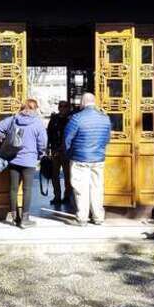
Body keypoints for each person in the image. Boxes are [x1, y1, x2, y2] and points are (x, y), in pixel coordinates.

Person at [0, 99, 47, 229]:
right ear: (35, 108)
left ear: (23, 108)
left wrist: (3, 138)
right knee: (27, 189)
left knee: (13, 188)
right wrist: (40, 154)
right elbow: (42, 143)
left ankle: (14, 217)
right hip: (29, 160)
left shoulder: (13, 120)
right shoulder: (38, 123)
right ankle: (25, 219)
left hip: (13, 159)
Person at [63, 92, 111, 226]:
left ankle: (82, 217)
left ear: (82, 103)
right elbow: (107, 139)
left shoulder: (76, 118)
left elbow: (67, 139)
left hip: (80, 159)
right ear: (94, 102)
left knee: (80, 188)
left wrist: (69, 154)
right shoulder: (105, 118)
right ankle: (98, 217)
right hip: (98, 158)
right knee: (97, 187)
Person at [46, 100, 72, 206]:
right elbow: (49, 133)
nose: (62, 108)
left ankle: (67, 196)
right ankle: (57, 196)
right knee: (54, 175)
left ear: (68, 108)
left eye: (65, 106)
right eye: (60, 106)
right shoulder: (54, 119)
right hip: (55, 150)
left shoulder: (71, 119)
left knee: (68, 175)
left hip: (67, 151)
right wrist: (48, 147)